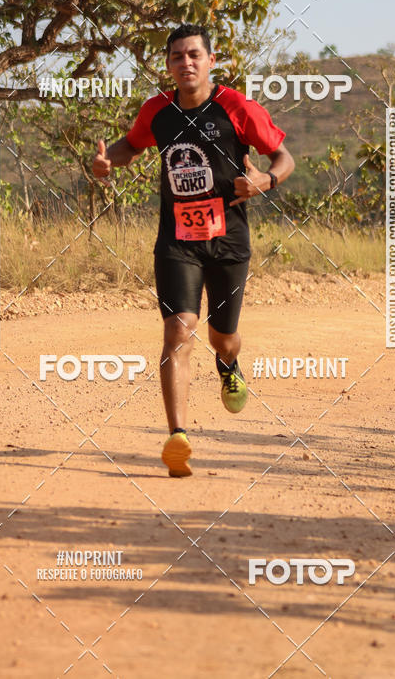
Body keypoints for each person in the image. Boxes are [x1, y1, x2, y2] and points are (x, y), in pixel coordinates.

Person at [91, 24, 294, 477]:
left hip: (229, 243)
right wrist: (109, 162)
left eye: (195, 55)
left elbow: (284, 156)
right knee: (179, 330)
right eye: (178, 56)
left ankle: (229, 365)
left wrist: (267, 179)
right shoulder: (157, 111)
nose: (187, 63)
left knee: (223, 337)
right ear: (168, 65)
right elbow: (131, 144)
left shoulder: (236, 107)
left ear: (211, 60)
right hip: (177, 241)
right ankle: (177, 437)